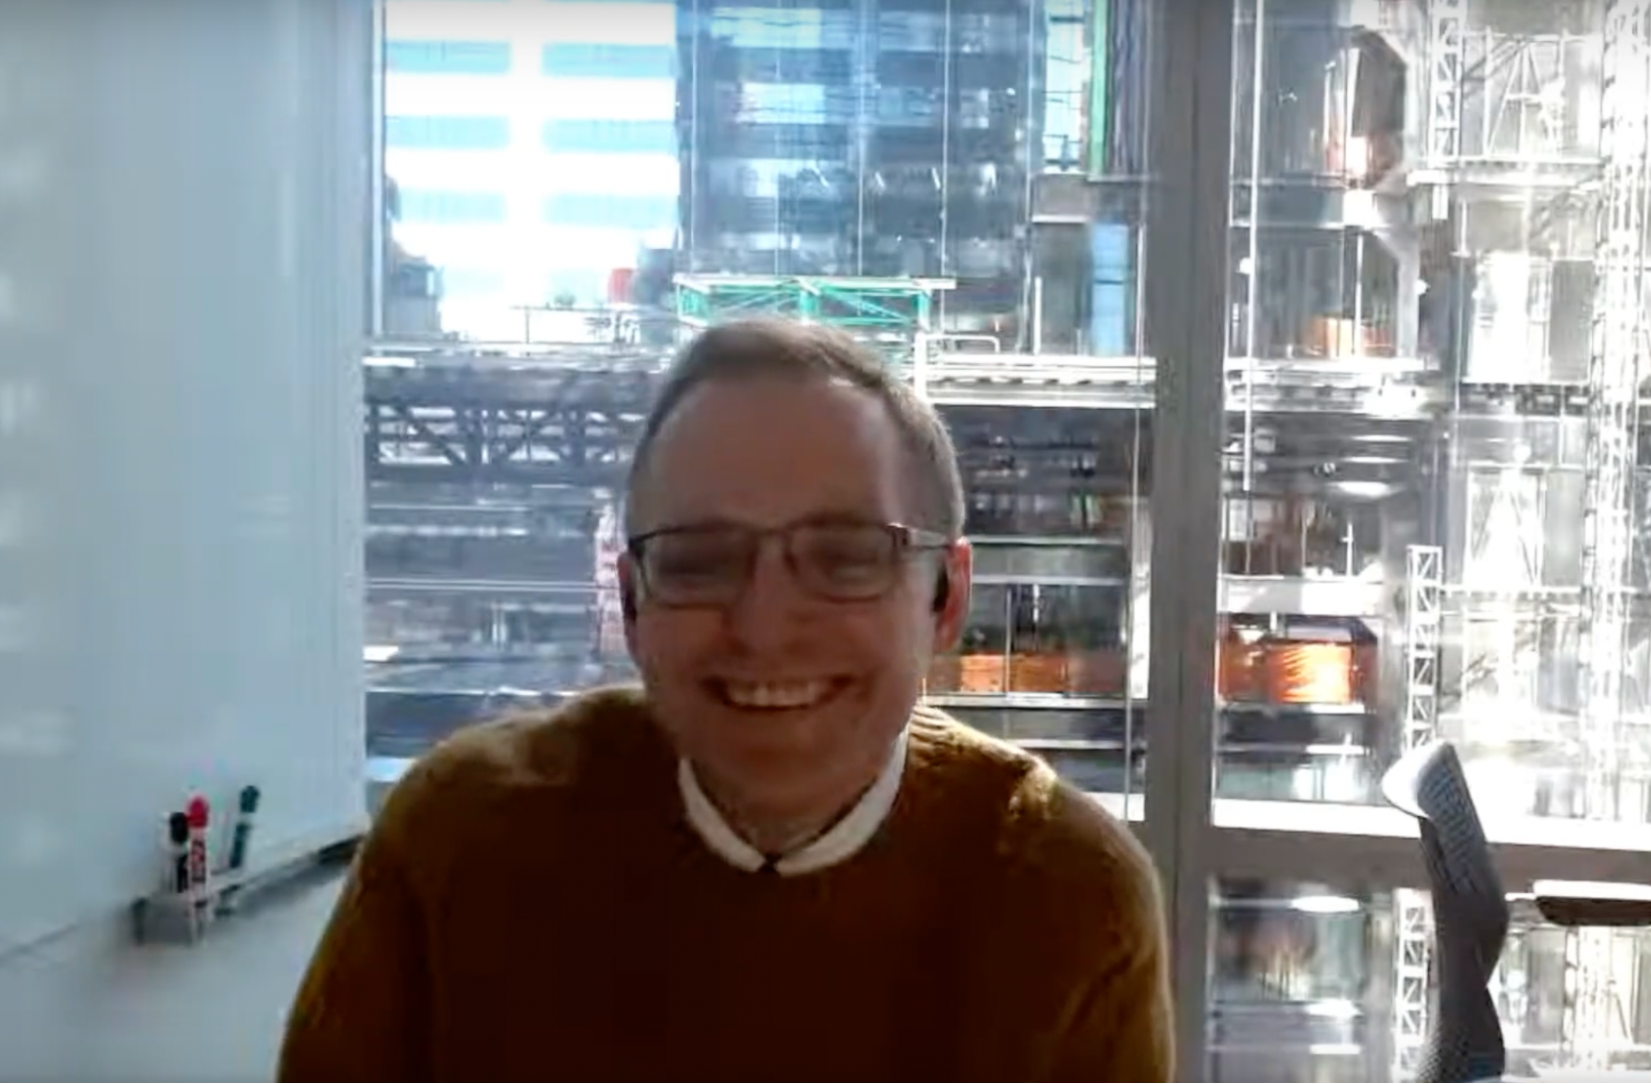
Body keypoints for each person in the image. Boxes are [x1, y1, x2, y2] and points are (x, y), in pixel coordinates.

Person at [277, 319, 1174, 1082]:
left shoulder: (1068, 903)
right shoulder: (458, 841)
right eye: (700, 557)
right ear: (632, 606)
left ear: (945, 597)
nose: (765, 622)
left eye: (846, 553)